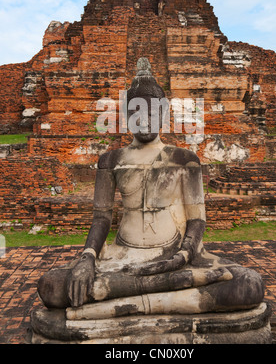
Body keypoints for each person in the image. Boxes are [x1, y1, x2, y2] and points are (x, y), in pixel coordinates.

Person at [37, 58, 264, 317]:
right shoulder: (111, 160)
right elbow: (101, 218)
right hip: (124, 256)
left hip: (176, 255)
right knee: (51, 286)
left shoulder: (184, 159)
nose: (144, 120)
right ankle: (165, 296)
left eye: (152, 112)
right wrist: (87, 258)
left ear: (164, 114)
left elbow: (197, 220)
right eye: (136, 113)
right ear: (126, 115)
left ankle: (126, 304)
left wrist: (184, 254)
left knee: (249, 284)